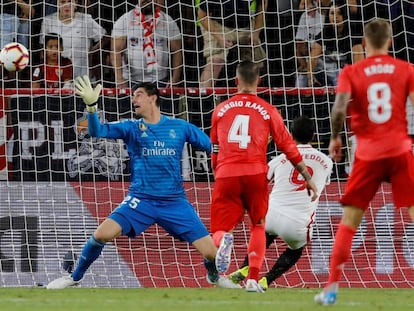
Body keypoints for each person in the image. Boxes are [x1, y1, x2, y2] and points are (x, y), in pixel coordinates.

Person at [46, 77, 233, 289]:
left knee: (211, 253)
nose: (133, 99)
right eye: (132, 95)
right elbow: (97, 131)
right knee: (101, 234)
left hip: (174, 202)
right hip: (141, 200)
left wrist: (230, 156)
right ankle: (75, 278)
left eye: (138, 95)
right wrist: (91, 107)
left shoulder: (180, 127)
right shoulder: (131, 127)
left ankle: (214, 277)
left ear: (152, 98)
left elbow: (212, 146)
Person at [314, 19, 414, 305]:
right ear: (391, 42)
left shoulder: (352, 71)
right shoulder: (406, 69)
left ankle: (331, 287)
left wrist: (335, 139)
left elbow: (339, 109)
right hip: (399, 149)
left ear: (364, 44)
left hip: (367, 152)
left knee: (350, 221)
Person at [209, 61, 318, 293]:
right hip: (255, 172)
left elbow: (215, 148)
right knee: (258, 225)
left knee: (221, 227)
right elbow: (287, 145)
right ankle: (252, 280)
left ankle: (222, 242)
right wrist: (305, 175)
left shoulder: (220, 110)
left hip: (227, 172)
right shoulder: (268, 110)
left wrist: (217, 171)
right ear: (258, 81)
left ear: (236, 81)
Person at [225, 115, 333, 290]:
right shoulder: (327, 162)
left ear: (290, 135)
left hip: (271, 214)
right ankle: (266, 280)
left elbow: (261, 180)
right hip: (298, 223)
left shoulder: (279, 159)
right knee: (296, 250)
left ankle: (245, 267)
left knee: (264, 237)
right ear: (313, 136)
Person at [111, 0, 183, 89]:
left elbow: (177, 51)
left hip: (160, 79)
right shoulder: (125, 20)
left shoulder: (167, 20)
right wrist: (119, 79)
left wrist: (175, 79)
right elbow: (116, 50)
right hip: (130, 81)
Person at [197, 0, 268, 88]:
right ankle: (203, 97)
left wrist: (256, 32)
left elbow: (263, 4)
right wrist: (219, 37)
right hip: (217, 25)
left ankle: (250, 98)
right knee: (216, 61)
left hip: (244, 25)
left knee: (256, 62)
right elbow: (202, 14)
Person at [40, 0, 106, 79]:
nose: (67, 5)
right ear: (57, 4)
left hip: (82, 76)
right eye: (63, 2)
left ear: (76, 3)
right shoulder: (48, 21)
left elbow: (104, 36)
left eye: (70, 1)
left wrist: (92, 51)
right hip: (57, 77)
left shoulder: (86, 19)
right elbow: (42, 50)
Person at [307, 2, 364, 87]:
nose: (335, 17)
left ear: (345, 16)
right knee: (302, 78)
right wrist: (310, 77)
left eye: (340, 13)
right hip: (325, 78)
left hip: (346, 77)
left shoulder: (354, 36)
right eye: (332, 13)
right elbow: (312, 60)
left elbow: (359, 66)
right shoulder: (323, 35)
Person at [294, 1, 324, 87]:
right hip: (310, 62)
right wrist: (304, 64)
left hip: (329, 62)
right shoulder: (304, 16)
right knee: (300, 82)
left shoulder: (328, 14)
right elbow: (299, 47)